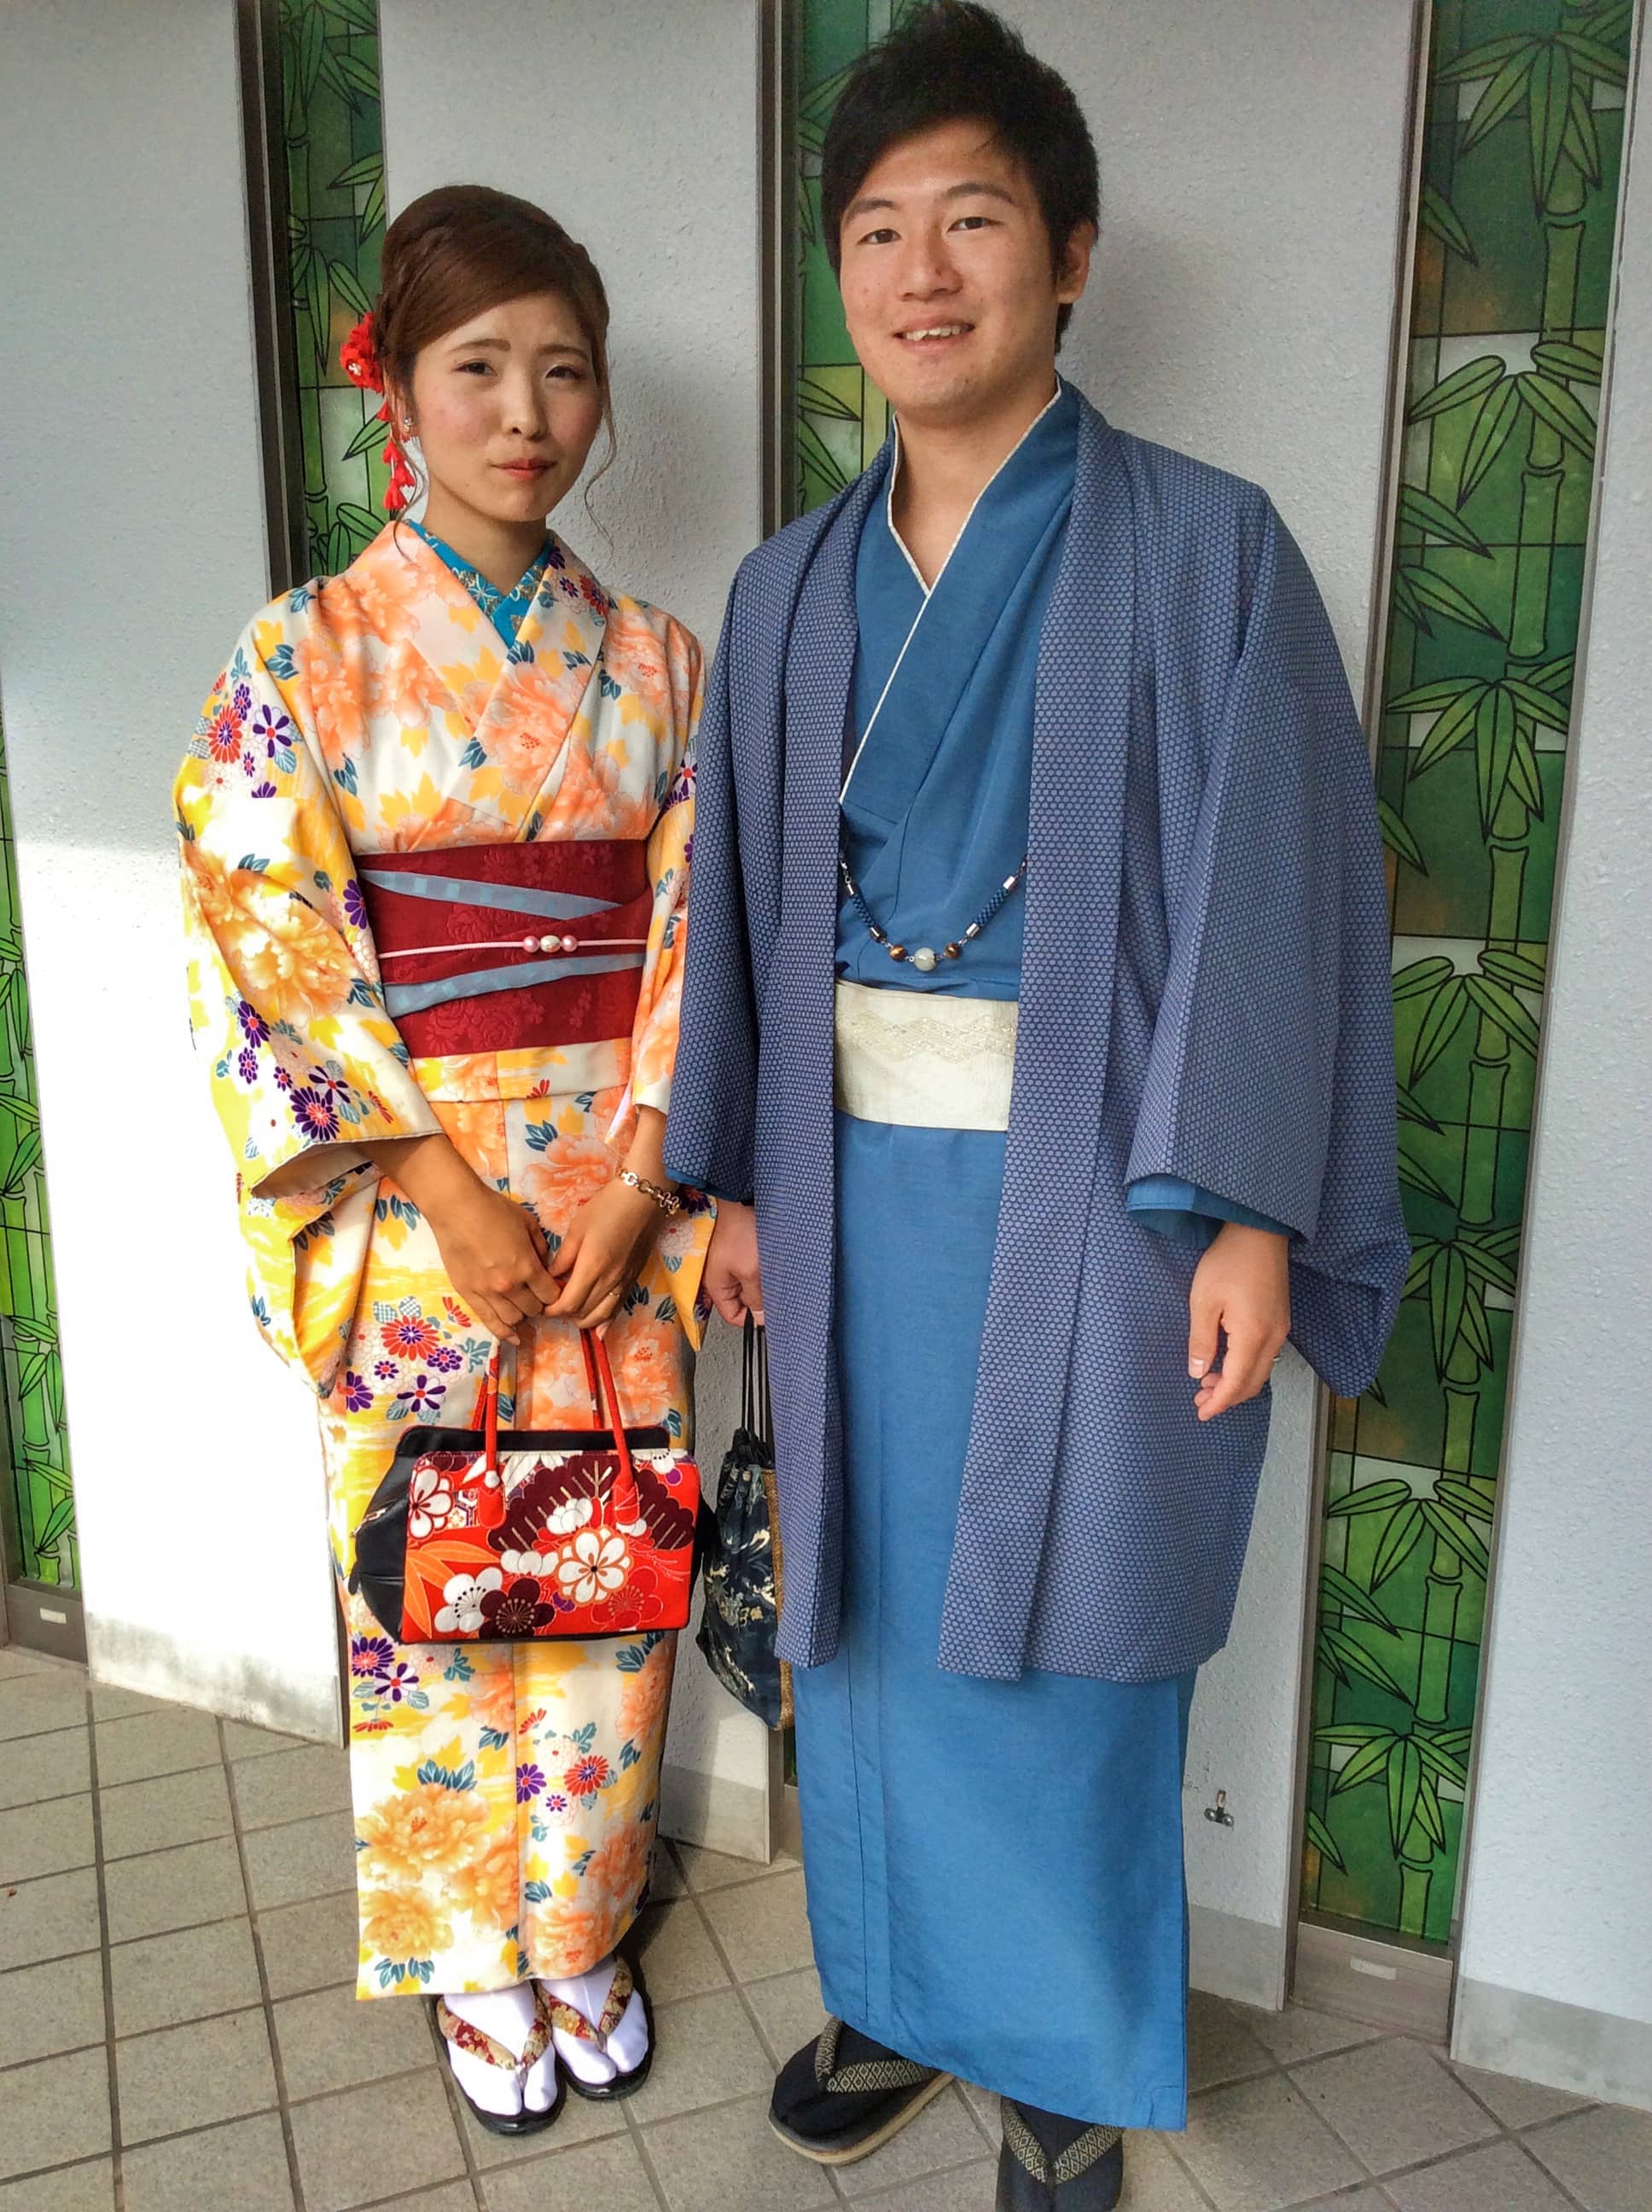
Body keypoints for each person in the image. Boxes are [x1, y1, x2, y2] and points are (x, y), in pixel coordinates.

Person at [664, 8, 1407, 2209]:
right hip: (841, 1196)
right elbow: (737, 912)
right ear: (839, 273)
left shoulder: (1205, 551)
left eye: (971, 220)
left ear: (1066, 257)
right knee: (867, 1625)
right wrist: (728, 1177)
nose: (921, 272)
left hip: (1106, 1198)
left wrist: (1251, 1210)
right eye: (875, 230)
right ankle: (900, 1992)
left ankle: (1066, 2058)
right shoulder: (786, 588)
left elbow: (1279, 897)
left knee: (1075, 1623)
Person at [177, 184, 710, 2135]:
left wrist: (643, 1166)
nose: (525, 413)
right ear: (391, 388)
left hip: (612, 1200)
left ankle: (575, 1923)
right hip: (417, 1206)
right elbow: (266, 929)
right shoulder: (306, 652)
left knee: (599, 1574)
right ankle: (463, 1949)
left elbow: (704, 928)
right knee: (433, 1580)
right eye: (477, 367)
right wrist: (440, 1183)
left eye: (562, 370)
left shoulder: (653, 660)